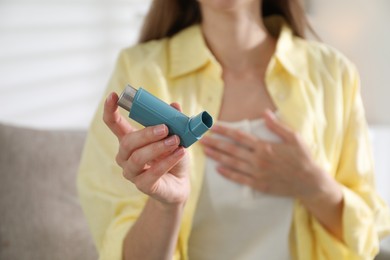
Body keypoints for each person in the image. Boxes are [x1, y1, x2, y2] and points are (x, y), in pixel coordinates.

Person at [77, 0, 390, 259]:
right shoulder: (139, 69)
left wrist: (313, 186)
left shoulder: (333, 74)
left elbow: (369, 235)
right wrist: (165, 206)